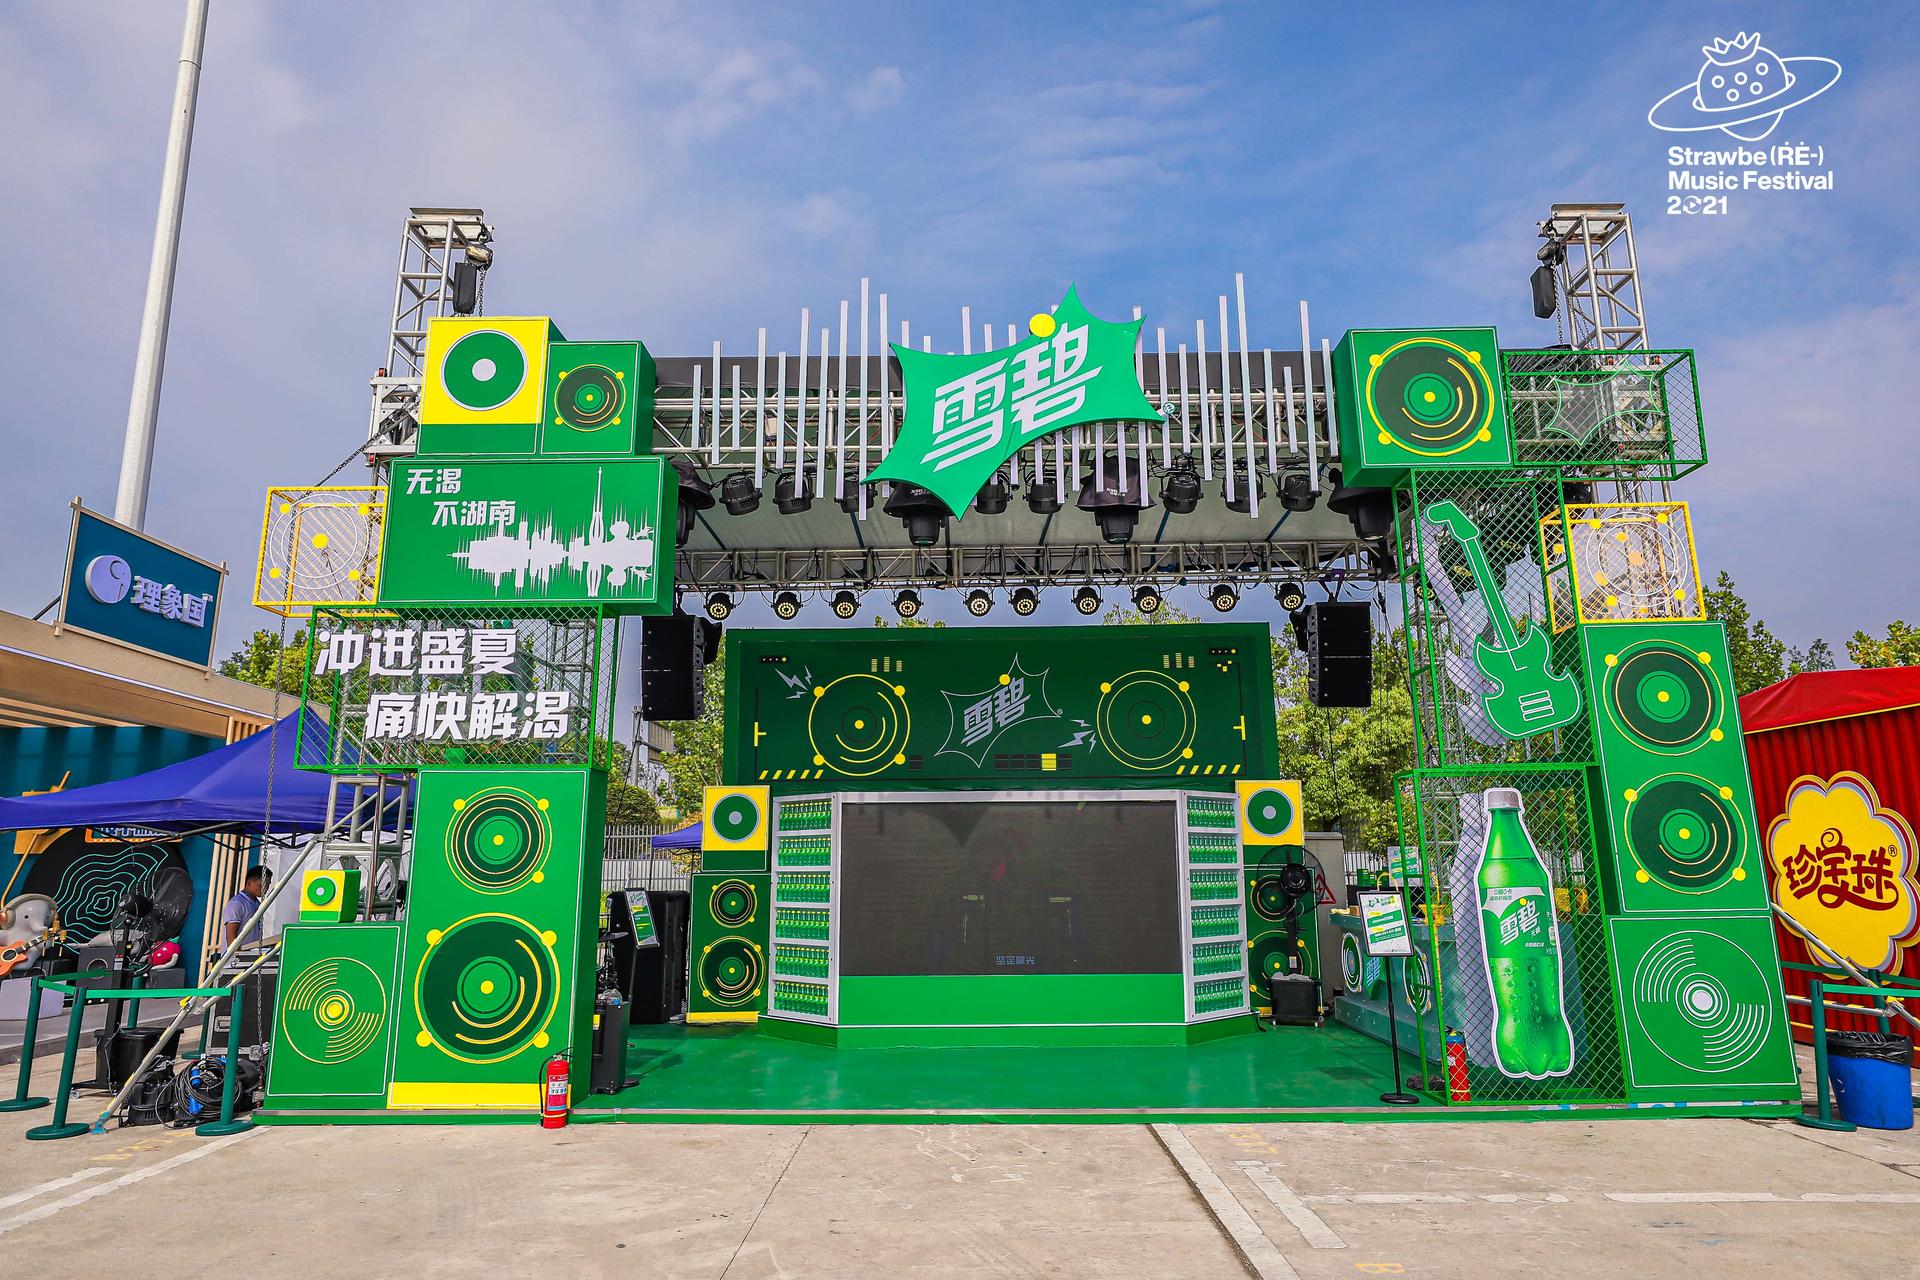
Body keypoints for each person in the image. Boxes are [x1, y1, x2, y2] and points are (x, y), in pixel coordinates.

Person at [223, 865, 272, 946]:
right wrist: (237, 953)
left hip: (251, 952)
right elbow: (231, 938)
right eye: (261, 885)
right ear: (249, 883)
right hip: (238, 953)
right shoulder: (237, 903)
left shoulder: (256, 903)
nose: (265, 888)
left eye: (268, 885)